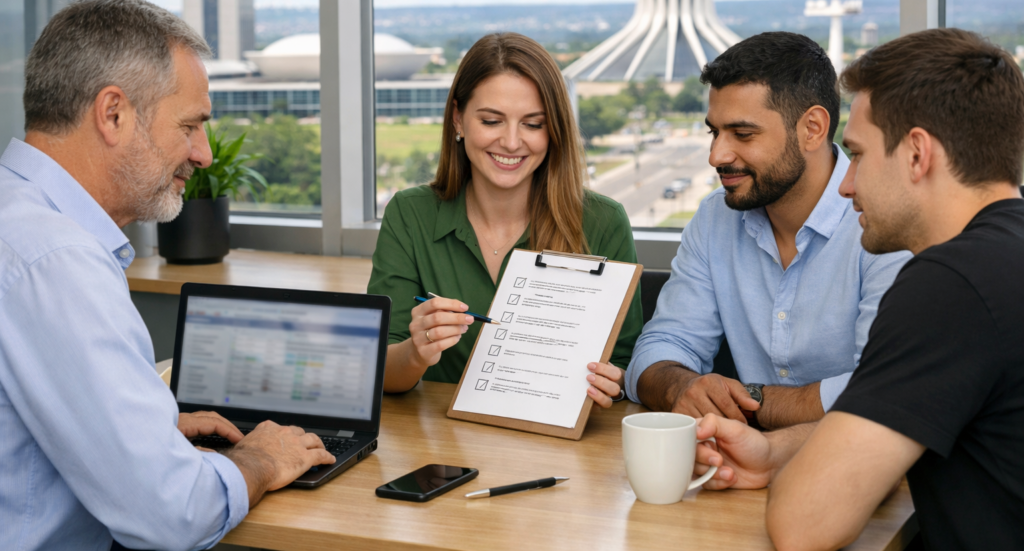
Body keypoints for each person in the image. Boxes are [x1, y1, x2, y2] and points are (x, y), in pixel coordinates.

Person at [0, 0, 335, 551]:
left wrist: (144, 431)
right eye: (190, 126)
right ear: (113, 114)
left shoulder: (19, 219)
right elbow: (172, 515)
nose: (203, 154)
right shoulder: (55, 260)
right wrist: (258, 460)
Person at [694, 28, 1024, 551]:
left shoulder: (949, 288)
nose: (847, 184)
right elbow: (904, 423)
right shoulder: (1004, 259)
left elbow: (802, 527)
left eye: (859, 155)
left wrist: (792, 470)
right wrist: (776, 452)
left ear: (917, 154)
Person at [626, 32, 910, 430]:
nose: (717, 156)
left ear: (812, 128)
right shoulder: (714, 218)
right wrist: (681, 388)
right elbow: (659, 349)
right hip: (734, 467)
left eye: (743, 134)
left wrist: (745, 403)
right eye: (714, 132)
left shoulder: (887, 226)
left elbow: (884, 390)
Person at [368, 32, 642, 407]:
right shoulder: (409, 213)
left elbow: (626, 362)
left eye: (533, 124)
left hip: (558, 446)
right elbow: (381, 370)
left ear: (554, 131)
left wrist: (618, 380)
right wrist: (417, 351)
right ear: (458, 120)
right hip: (443, 449)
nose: (512, 143)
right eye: (493, 120)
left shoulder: (603, 222)